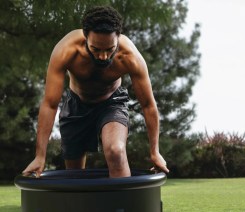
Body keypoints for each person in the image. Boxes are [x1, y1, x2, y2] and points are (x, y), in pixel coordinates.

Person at [23, 5, 169, 178]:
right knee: (74, 174)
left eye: (109, 49)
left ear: (118, 38)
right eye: (96, 49)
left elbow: (148, 105)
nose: (103, 56)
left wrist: (155, 151)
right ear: (85, 37)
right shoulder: (66, 51)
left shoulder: (130, 57)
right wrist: (40, 156)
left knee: (116, 151)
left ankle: (123, 205)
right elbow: (50, 104)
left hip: (112, 102)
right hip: (76, 104)